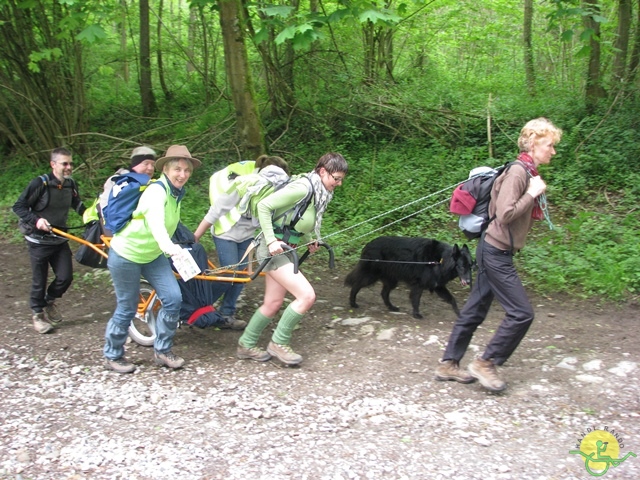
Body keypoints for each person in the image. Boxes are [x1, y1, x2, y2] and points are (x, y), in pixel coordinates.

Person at [435, 117, 562, 392]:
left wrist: (532, 191)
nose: (553, 151)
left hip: (493, 248)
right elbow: (505, 214)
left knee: (475, 308)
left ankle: (448, 364)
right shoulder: (519, 173)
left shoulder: (528, 172)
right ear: (533, 143)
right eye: (550, 145)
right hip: (495, 251)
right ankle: (486, 362)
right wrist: (531, 194)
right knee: (521, 313)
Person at [237, 152, 348, 365]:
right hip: (273, 249)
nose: (339, 183)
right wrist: (271, 241)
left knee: (272, 302)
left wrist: (309, 239)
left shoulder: (318, 191)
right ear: (323, 171)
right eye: (336, 178)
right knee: (306, 296)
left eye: (341, 179)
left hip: (285, 248)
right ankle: (278, 343)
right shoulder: (303, 188)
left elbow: (295, 220)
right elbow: (264, 206)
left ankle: (246, 344)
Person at [102, 145, 201, 373]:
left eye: (187, 170)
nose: (182, 174)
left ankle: (162, 350)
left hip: (153, 255)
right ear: (165, 169)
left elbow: (169, 226)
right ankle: (112, 355)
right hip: (126, 254)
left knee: (173, 298)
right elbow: (156, 224)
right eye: (177, 169)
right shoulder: (156, 192)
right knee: (127, 307)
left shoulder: (176, 193)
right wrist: (171, 249)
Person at [193, 155, 290, 329]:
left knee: (243, 275)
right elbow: (215, 211)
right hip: (226, 232)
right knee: (230, 273)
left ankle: (226, 314)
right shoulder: (243, 185)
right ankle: (197, 307)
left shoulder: (275, 190)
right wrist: (196, 236)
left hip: (247, 236)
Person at [12, 147, 86, 334]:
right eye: (64, 163)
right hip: (38, 240)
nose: (69, 167)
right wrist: (37, 221)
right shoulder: (40, 183)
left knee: (65, 277)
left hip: (59, 238)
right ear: (53, 164)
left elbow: (77, 204)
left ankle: (49, 301)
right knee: (40, 279)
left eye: (71, 163)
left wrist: (92, 216)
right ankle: (38, 314)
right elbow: (19, 207)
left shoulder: (70, 184)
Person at [98, 146, 157, 214]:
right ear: (135, 164)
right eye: (146, 164)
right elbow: (105, 205)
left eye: (152, 165)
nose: (150, 168)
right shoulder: (117, 180)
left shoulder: (153, 184)